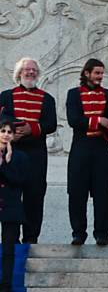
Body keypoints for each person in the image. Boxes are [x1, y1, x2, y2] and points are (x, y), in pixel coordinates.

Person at [0, 57, 56, 243]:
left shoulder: (47, 98)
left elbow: (51, 124)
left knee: (35, 196)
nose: (31, 72)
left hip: (36, 154)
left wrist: (31, 129)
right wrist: (13, 131)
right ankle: (11, 239)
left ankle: (31, 238)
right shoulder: (6, 96)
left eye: (34, 70)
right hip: (12, 153)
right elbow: (2, 118)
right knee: (11, 197)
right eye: (27, 70)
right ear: (19, 73)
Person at [66, 57, 108, 245]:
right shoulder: (73, 94)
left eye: (102, 73)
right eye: (97, 73)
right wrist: (99, 120)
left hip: (101, 149)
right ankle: (78, 233)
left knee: (102, 194)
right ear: (87, 73)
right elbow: (74, 120)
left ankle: (101, 233)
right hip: (80, 149)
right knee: (77, 193)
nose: (100, 76)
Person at [0, 118, 27, 292]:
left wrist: (6, 164)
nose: (6, 135)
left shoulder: (20, 157)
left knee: (8, 249)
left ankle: (5, 285)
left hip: (11, 207)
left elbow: (19, 181)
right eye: (3, 131)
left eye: (9, 132)